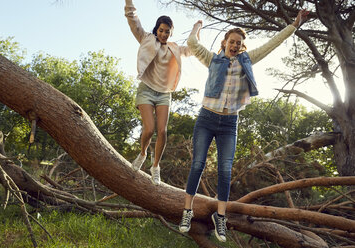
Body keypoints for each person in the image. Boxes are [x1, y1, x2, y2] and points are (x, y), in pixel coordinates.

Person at [178, 10, 309, 242]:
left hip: (229, 123)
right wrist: (197, 26)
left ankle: (220, 216)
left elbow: (272, 44)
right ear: (225, 43)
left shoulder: (247, 61)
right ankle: (187, 211)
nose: (235, 45)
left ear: (242, 46)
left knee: (225, 169)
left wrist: (295, 25)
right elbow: (192, 43)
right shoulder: (212, 59)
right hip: (207, 118)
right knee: (197, 164)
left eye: (239, 43)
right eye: (232, 42)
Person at [124, 0, 192, 185]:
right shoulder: (146, 38)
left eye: (167, 31)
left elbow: (192, 48)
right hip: (146, 89)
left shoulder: (174, 48)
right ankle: (143, 153)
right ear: (156, 29)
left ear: (171, 32)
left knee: (162, 131)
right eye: (161, 30)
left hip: (164, 93)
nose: (163, 34)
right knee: (150, 129)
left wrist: (196, 30)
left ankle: (155, 167)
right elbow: (133, 19)